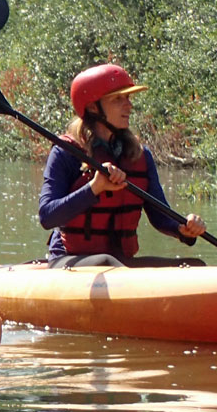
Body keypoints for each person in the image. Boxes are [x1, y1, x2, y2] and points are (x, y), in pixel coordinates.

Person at [38, 64, 206, 268]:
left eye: (128, 98)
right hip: (68, 261)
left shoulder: (140, 156)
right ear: (93, 107)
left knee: (194, 265)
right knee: (108, 262)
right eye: (118, 99)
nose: (129, 105)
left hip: (121, 264)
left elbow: (160, 216)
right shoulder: (66, 153)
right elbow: (47, 217)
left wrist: (182, 228)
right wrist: (94, 188)